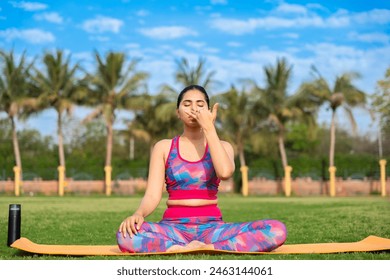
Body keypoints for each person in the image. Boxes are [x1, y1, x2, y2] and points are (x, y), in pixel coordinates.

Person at [117, 85, 287, 253]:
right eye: (187, 104)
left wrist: (209, 128)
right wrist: (138, 213)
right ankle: (180, 247)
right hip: (172, 229)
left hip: (213, 230)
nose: (193, 109)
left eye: (200, 105)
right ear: (178, 112)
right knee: (125, 234)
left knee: (276, 230)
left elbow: (225, 173)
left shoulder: (224, 147)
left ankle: (207, 247)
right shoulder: (163, 147)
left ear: (209, 111)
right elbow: (153, 194)